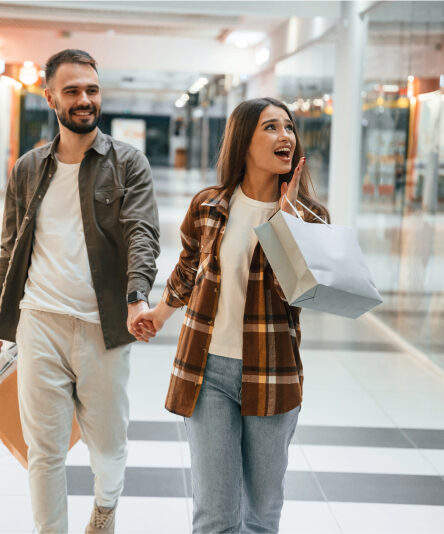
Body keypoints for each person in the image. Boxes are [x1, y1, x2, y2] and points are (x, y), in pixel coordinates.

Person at [135, 97, 329, 533]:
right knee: (215, 517)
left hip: (273, 374)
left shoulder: (310, 217)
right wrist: (160, 314)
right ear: (244, 140)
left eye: (289, 128)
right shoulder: (209, 205)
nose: (286, 137)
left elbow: (294, 295)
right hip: (207, 373)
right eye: (271, 128)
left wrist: (285, 222)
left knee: (260, 516)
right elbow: (190, 268)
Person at [0, 49, 160, 534]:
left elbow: (141, 233)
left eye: (91, 89)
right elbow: (9, 247)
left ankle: (105, 506)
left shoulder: (128, 162)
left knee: (108, 446)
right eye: (72, 91)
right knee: (43, 449)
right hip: (39, 320)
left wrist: (137, 296)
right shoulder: (29, 168)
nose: (85, 99)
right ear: (50, 98)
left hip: (103, 325)